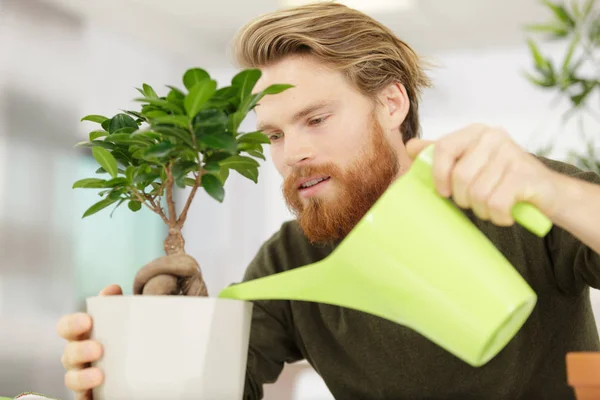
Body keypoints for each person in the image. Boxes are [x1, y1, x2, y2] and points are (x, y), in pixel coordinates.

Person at [57, 2, 600, 399]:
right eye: (273, 135)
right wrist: (153, 356)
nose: (292, 152)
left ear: (390, 103)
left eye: (315, 119)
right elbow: (216, 393)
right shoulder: (290, 258)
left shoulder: (508, 193)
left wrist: (553, 191)